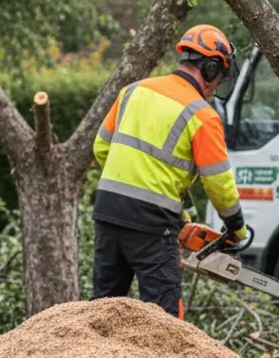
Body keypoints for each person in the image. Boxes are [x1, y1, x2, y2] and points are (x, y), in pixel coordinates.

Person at [91, 24, 248, 318]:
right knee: (163, 321)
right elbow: (218, 184)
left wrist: (177, 207)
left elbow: (101, 148)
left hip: (108, 212)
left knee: (103, 309)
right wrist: (236, 228)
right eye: (218, 76)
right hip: (152, 226)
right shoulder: (202, 115)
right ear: (212, 68)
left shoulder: (133, 91)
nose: (215, 85)